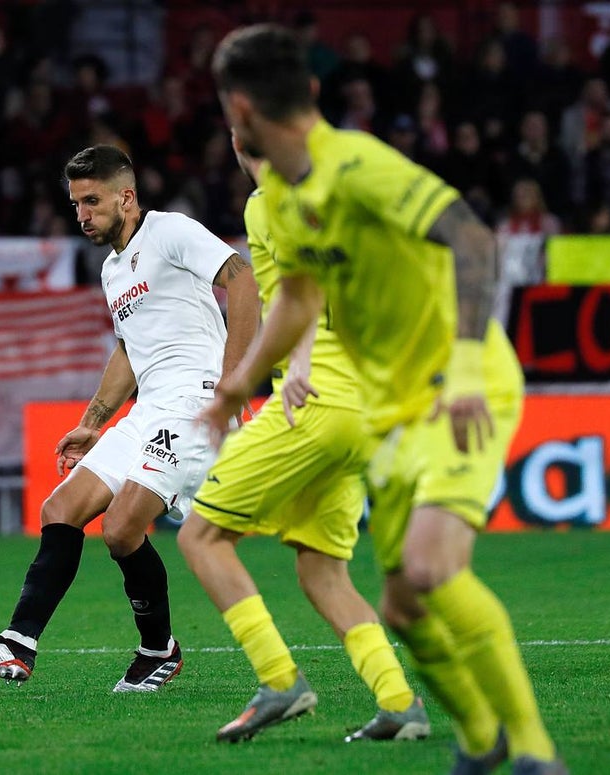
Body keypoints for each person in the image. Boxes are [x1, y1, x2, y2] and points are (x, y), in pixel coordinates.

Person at [207, 24, 566, 775]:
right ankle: (478, 740)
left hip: (460, 384)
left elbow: (473, 241)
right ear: (307, 89)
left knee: (435, 568)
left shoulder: (360, 166)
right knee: (402, 603)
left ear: (238, 109)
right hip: (393, 407)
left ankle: (535, 754)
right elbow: (299, 297)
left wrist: (466, 368)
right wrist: (240, 383)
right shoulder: (292, 199)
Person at [0, 144, 258, 691]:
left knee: (120, 528)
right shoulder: (114, 269)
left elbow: (243, 283)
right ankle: (17, 645)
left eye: (92, 201)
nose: (83, 214)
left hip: (196, 402)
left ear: (127, 196)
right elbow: (128, 351)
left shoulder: (170, 231)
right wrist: (94, 422)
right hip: (150, 407)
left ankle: (156, 650)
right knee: (61, 507)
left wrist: (233, 388)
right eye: (76, 204)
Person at [177, 135, 431, 744]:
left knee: (201, 537)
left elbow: (299, 293)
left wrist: (290, 368)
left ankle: (278, 680)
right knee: (322, 572)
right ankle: (400, 706)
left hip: (314, 402)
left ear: (240, 135)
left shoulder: (269, 202)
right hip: (364, 410)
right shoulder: (344, 200)